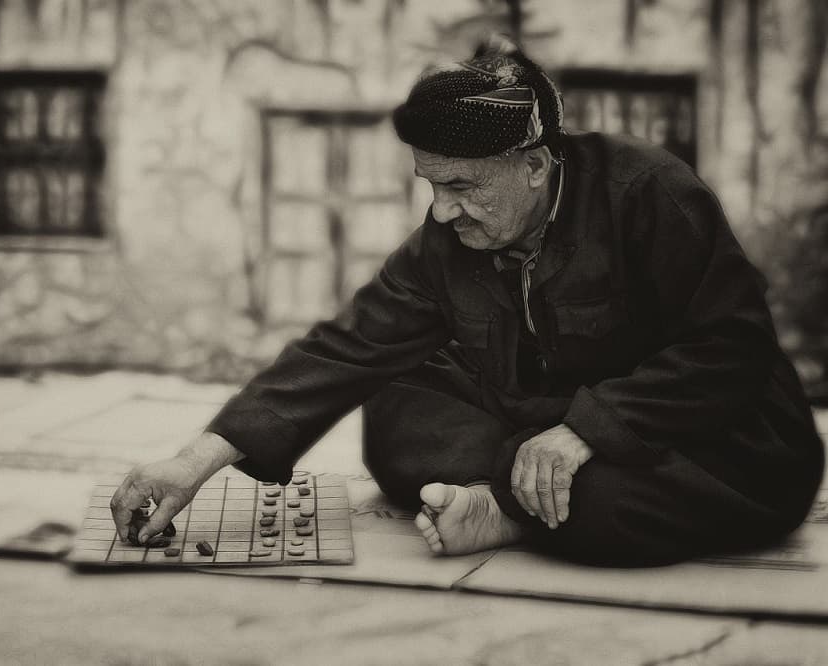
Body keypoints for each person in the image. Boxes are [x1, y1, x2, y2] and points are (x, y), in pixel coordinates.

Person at [111, 39, 824, 566]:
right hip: (541, 415)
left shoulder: (652, 195)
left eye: (461, 187)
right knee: (391, 403)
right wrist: (195, 460)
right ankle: (526, 490)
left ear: (536, 168)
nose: (443, 212)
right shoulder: (452, 236)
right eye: (431, 187)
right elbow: (349, 345)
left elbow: (729, 350)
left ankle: (510, 509)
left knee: (608, 502)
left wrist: (588, 431)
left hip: (702, 432)